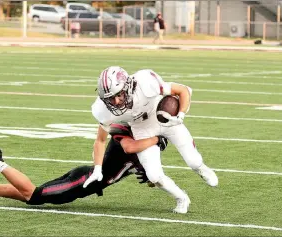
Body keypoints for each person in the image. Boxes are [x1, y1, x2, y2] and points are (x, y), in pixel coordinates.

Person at [85, 66, 219, 214]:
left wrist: (180, 115)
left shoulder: (145, 82)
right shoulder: (103, 109)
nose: (116, 101)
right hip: (142, 130)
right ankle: (182, 198)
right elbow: (100, 140)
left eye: (119, 95)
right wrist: (97, 168)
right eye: (110, 98)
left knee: (193, 161)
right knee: (154, 176)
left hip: (164, 119)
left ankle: (201, 168)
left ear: (128, 86)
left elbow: (183, 91)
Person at [0, 123, 169, 206]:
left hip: (84, 180)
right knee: (34, 195)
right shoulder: (131, 141)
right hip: (84, 180)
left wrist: (150, 178)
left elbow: (152, 179)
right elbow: (128, 147)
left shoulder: (143, 153)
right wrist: (158, 140)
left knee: (33, 194)